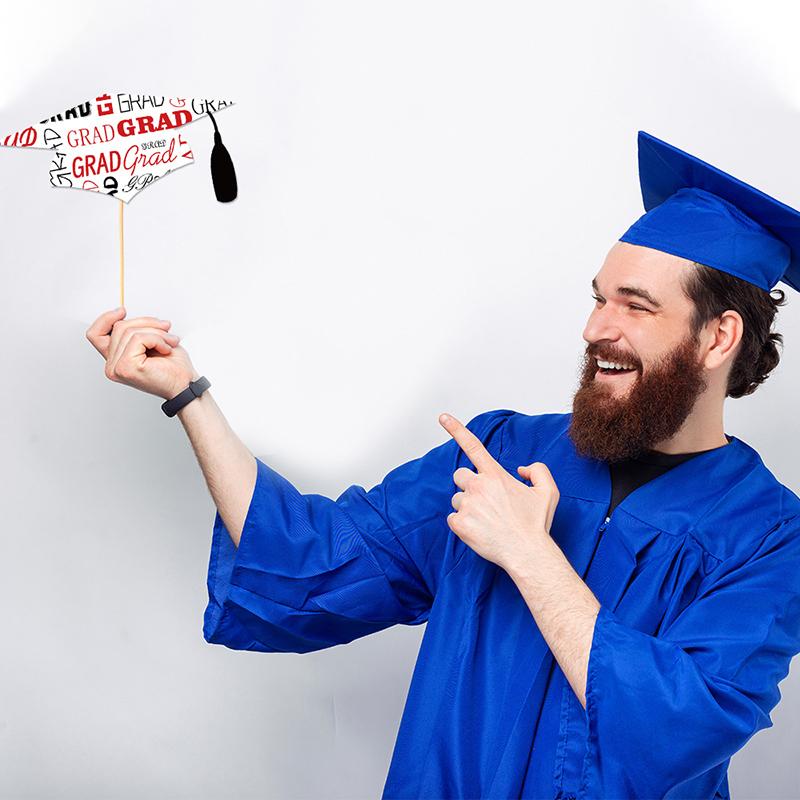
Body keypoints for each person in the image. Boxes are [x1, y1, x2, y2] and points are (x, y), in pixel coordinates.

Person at [86, 131, 800, 799]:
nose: (594, 328)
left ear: (717, 338)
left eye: (634, 306)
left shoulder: (771, 535)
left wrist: (529, 554)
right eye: (598, 298)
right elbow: (311, 561)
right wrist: (188, 394)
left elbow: (680, 727)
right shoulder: (505, 453)